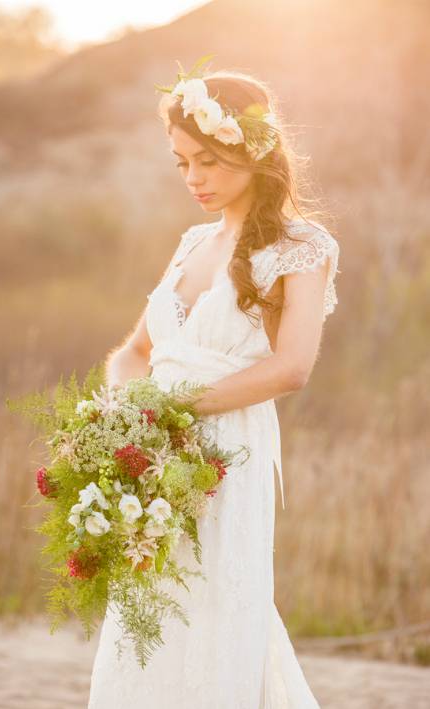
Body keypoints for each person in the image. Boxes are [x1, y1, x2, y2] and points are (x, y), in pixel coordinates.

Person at [87, 68, 338, 708]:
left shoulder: (302, 246)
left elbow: (292, 368)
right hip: (148, 454)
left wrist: (174, 410)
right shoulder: (193, 242)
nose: (195, 178)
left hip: (225, 454)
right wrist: (122, 418)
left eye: (209, 160)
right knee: (146, 612)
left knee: (218, 609)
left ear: (252, 149)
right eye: (181, 164)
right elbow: (137, 351)